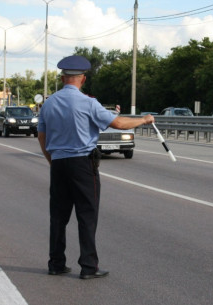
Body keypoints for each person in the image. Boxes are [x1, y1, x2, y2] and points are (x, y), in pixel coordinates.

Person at [38, 55, 155, 280]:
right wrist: (144, 120)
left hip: (59, 164)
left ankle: (56, 263)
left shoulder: (49, 103)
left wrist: (52, 160)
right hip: (82, 164)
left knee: (58, 217)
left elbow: (42, 137)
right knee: (87, 215)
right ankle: (89, 267)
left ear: (63, 78)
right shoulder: (88, 103)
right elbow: (119, 123)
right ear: (82, 79)